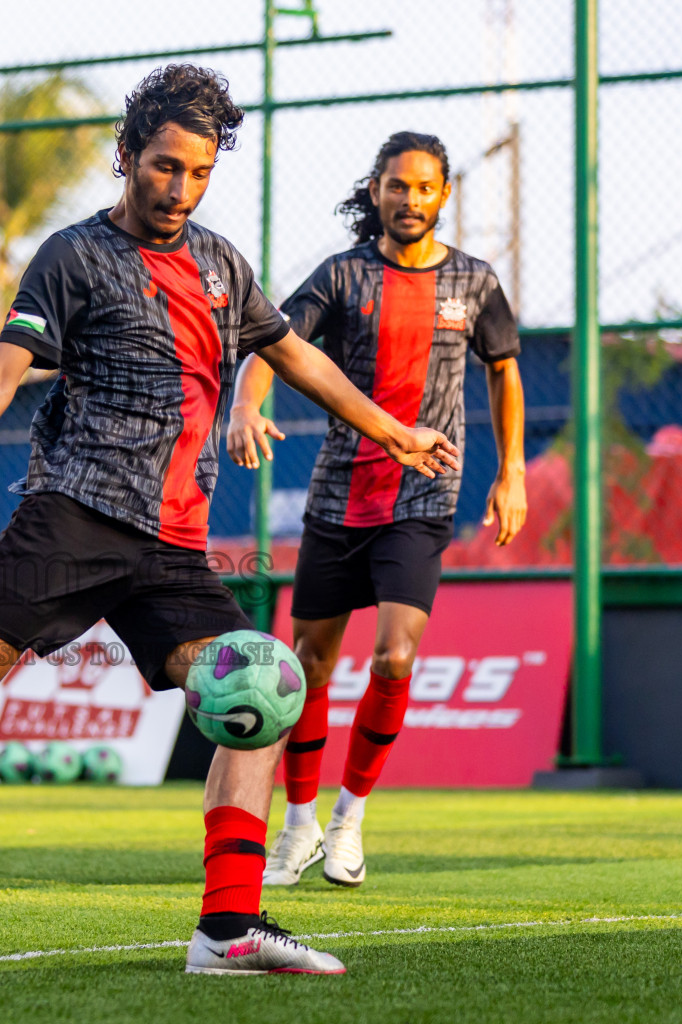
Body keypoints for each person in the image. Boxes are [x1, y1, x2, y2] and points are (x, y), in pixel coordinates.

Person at [0, 65, 457, 975]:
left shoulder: (224, 264)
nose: (178, 189)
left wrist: (392, 429)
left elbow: (295, 354)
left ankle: (227, 930)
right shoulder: (72, 257)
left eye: (197, 172)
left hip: (173, 548)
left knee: (259, 694)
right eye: (162, 168)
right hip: (72, 519)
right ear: (126, 157)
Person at [228, 132, 527, 888]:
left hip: (425, 495)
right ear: (375, 190)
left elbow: (505, 373)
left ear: (444, 195)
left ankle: (349, 819)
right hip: (339, 494)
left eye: (425, 187)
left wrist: (512, 470)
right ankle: (297, 826)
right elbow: (273, 344)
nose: (410, 199)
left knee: (396, 657)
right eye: (397, 186)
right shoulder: (342, 275)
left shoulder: (476, 282)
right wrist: (244, 406)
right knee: (311, 667)